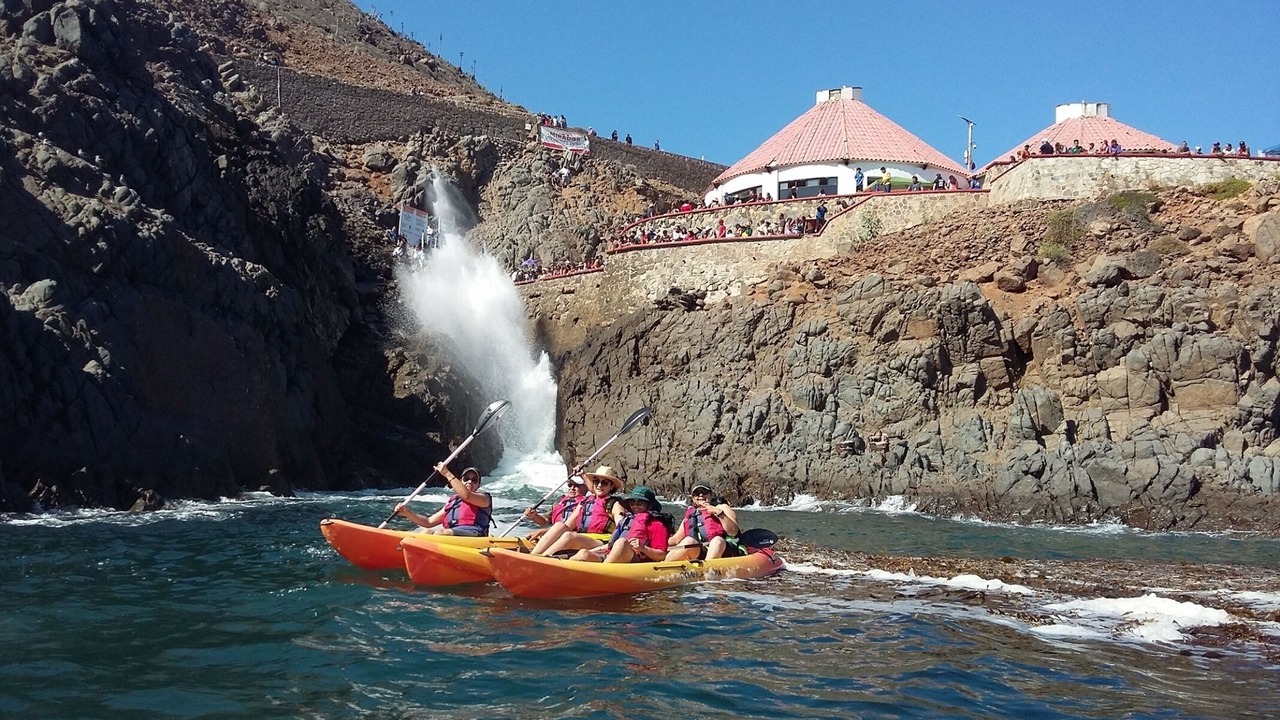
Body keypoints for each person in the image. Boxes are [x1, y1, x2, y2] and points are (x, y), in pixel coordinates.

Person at [530, 466, 625, 555]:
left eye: (604, 483)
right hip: (583, 538)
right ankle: (534, 556)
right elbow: (567, 526)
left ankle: (542, 559)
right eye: (596, 482)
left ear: (611, 486)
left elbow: (622, 529)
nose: (599, 485)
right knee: (559, 525)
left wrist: (608, 547)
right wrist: (544, 531)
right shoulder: (585, 502)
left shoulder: (614, 504)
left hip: (601, 542)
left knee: (569, 536)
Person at [571, 486, 671, 563]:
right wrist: (591, 552)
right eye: (632, 502)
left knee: (621, 542)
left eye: (640, 502)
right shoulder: (626, 521)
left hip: (636, 561)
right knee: (583, 553)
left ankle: (603, 572)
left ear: (649, 505)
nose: (635, 506)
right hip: (612, 557)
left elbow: (662, 555)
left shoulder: (657, 524)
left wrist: (643, 548)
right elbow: (610, 546)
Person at [395, 465, 492, 536]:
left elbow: (467, 496)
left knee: (441, 533)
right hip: (453, 535)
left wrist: (446, 473)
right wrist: (407, 513)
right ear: (461, 481)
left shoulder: (484, 498)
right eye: (466, 479)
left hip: (474, 535)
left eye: (474, 480)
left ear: (478, 485)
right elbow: (428, 522)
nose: (469, 482)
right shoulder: (454, 503)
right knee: (426, 533)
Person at [665, 484, 740, 561]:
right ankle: (662, 567)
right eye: (697, 493)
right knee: (689, 541)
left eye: (704, 492)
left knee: (717, 540)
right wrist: (659, 543)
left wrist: (720, 513)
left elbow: (733, 531)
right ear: (693, 498)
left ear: (711, 495)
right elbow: (676, 539)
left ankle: (707, 570)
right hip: (702, 550)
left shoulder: (722, 508)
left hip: (724, 547)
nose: (700, 495)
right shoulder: (691, 515)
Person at [521, 476, 587, 541]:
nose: (572, 488)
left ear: (586, 487)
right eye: (570, 485)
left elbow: (567, 527)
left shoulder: (587, 503)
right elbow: (545, 520)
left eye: (576, 486)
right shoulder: (560, 500)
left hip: (573, 537)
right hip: (555, 535)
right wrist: (534, 516)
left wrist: (544, 532)